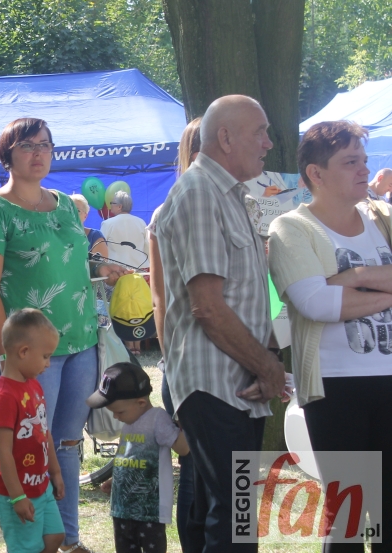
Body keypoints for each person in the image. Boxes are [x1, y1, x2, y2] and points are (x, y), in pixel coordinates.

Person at [0, 117, 125, 553]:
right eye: (27, 145)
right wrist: (6, 355)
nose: (38, 152)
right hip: (27, 353)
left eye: (46, 145)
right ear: (7, 154)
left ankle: (68, 539)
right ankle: (31, 541)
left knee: (67, 443)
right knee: (30, 443)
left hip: (80, 343)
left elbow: (70, 262)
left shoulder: (65, 205)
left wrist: (100, 270)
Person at [154, 95, 285, 553]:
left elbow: (244, 299)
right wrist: (268, 365)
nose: (269, 143)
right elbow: (207, 306)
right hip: (215, 383)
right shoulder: (200, 192)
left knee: (224, 511)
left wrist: (268, 360)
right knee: (235, 516)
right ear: (225, 137)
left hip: (233, 382)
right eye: (260, 131)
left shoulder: (229, 193)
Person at [268, 121, 391, 553]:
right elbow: (317, 304)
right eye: (350, 162)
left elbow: (330, 294)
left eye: (365, 160)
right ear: (316, 174)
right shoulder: (292, 228)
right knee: (350, 519)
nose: (364, 170)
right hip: (335, 387)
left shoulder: (384, 218)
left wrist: (354, 277)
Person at [146, 117, 200, 552]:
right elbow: (159, 297)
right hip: (192, 363)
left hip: (191, 362)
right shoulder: (171, 210)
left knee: (221, 474)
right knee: (199, 470)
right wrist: (171, 357)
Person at [86, 363, 189, 553]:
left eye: (119, 411)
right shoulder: (129, 419)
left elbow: (182, 448)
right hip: (122, 510)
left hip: (149, 512)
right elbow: (128, 456)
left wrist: (188, 420)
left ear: (140, 402)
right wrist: (115, 478)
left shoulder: (157, 419)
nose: (116, 417)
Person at [0, 309, 65, 553]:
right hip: (15, 492)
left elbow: (44, 433)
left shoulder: (33, 385)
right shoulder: (4, 396)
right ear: (23, 352)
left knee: (55, 536)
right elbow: (3, 451)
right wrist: (18, 496)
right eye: (45, 356)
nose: (48, 363)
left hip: (40, 486)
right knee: (26, 547)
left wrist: (56, 472)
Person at [100, 191, 148, 270]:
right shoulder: (141, 222)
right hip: (141, 269)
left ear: (120, 206)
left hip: (117, 271)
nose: (110, 205)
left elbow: (101, 247)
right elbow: (147, 247)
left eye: (112, 203)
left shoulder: (107, 224)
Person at [69, 194, 108, 260]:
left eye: (78, 211)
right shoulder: (56, 234)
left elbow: (99, 266)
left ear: (85, 216)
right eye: (69, 209)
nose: (72, 213)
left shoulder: (95, 236)